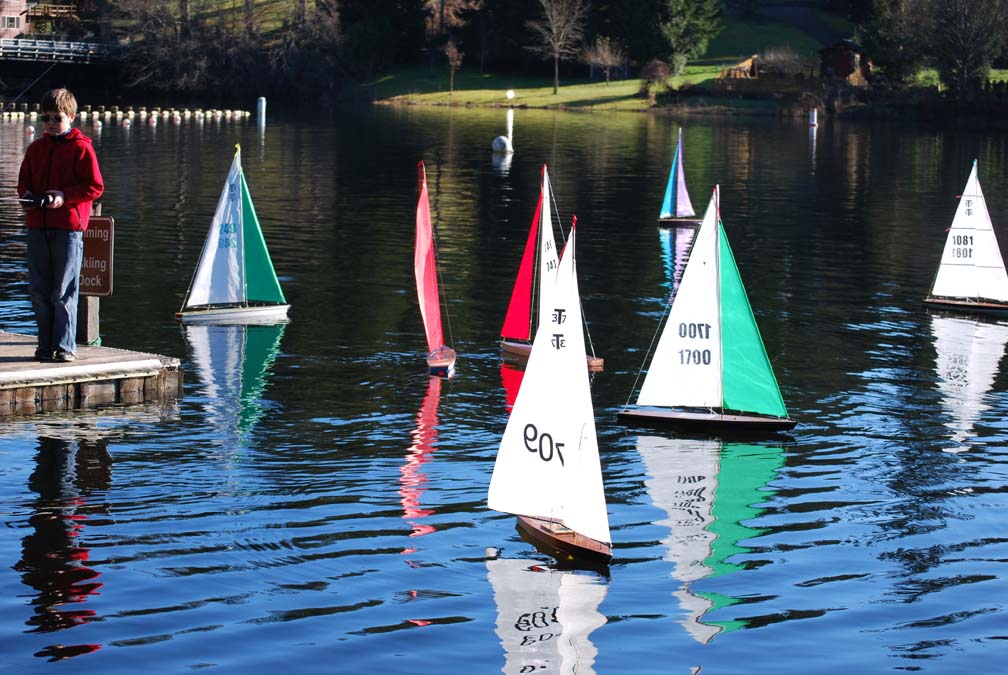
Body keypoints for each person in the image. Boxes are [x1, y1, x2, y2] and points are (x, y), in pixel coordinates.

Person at [17, 88, 104, 363]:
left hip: (68, 230)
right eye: (46, 118)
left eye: (57, 118)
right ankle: (44, 346)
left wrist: (64, 196)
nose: (51, 123)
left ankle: (65, 347)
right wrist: (29, 197)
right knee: (39, 291)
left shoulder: (82, 148)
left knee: (63, 292)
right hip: (37, 226)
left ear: (71, 117)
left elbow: (95, 186)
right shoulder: (35, 149)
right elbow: (23, 184)